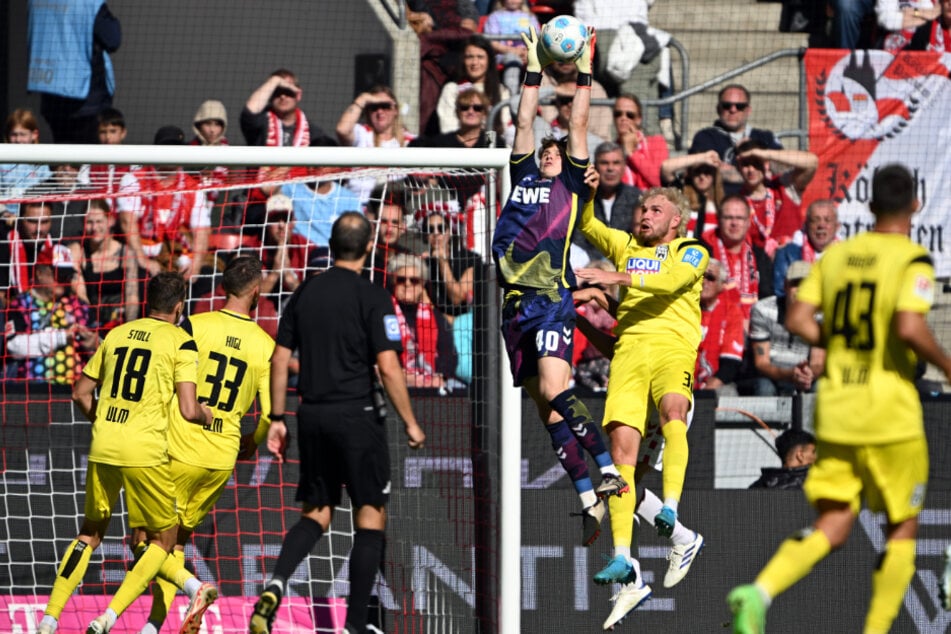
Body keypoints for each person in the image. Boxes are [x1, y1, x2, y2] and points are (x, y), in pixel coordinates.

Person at [728, 164, 951, 634]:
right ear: (915, 205)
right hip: (889, 410)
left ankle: (760, 591)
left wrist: (844, 338)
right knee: (901, 527)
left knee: (833, 522)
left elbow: (798, 319)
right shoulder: (912, 259)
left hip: (836, 408)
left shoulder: (838, 257)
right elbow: (909, 327)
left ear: (869, 207)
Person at [249, 212, 425, 634]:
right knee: (370, 515)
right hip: (357, 416)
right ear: (369, 247)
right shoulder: (373, 295)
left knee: (317, 512)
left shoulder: (307, 291)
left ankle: (275, 582)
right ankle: (355, 625)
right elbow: (388, 366)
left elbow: (278, 357)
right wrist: (410, 422)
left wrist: (276, 417)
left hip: (311, 415)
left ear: (331, 243)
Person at [491, 25, 629, 549]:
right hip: (512, 304)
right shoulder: (523, 170)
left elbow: (577, 120)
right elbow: (525, 117)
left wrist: (584, 68)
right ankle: (589, 498)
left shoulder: (570, 180)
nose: (551, 152)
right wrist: (532, 65)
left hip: (549, 299)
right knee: (545, 409)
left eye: (557, 151)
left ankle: (608, 469)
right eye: (547, 151)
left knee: (556, 388)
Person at [36, 272, 214, 634]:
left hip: (104, 443)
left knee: (89, 533)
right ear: (180, 306)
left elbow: (80, 393)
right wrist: (206, 414)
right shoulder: (181, 341)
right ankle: (109, 617)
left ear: (149, 301)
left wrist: (103, 421)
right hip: (145, 450)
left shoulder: (116, 334)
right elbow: (187, 408)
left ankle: (49, 618)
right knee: (163, 541)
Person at [575, 186, 708, 629]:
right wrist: (588, 193)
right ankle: (624, 561)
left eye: (656, 209)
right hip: (629, 358)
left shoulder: (691, 251)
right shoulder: (626, 246)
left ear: (676, 220)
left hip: (672, 353)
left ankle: (672, 510)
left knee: (674, 412)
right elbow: (588, 225)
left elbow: (669, 283)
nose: (645, 215)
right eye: (642, 209)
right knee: (620, 463)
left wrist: (613, 280)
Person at [133, 256, 274, 634]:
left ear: (223, 287)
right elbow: (268, 416)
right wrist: (250, 444)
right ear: (256, 293)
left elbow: (169, 373)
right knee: (176, 540)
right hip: (221, 455)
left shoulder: (196, 323)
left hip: (180, 446)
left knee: (143, 540)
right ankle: (154, 626)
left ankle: (192, 590)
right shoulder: (265, 344)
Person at [115, 126, 212, 281]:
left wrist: (195, 265)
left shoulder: (193, 187)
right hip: (144, 255)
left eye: (176, 149)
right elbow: (128, 222)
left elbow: (202, 231)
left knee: (209, 278)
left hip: (181, 257)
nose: (171, 153)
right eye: (167, 148)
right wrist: (143, 260)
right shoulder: (134, 179)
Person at [26, 0, 121, 144]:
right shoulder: (90, 3)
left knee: (64, 159)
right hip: (86, 101)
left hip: (50, 94)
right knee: (87, 161)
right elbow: (112, 39)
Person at [4, 244, 95, 384]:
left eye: (67, 275)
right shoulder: (20, 305)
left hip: (74, 392)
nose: (64, 280)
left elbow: (101, 350)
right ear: (39, 273)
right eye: (58, 274)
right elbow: (14, 347)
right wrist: (61, 337)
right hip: (33, 393)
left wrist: (91, 346)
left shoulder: (80, 306)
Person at [745, 261, 824, 397]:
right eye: (796, 284)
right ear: (785, 286)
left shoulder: (822, 315)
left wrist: (808, 374)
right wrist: (790, 375)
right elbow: (762, 364)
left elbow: (818, 362)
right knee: (764, 386)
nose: (801, 290)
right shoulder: (763, 309)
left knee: (821, 386)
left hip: (806, 374)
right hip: (772, 375)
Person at [688, 84, 782, 193]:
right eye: (727, 105)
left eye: (740, 106)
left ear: (748, 110)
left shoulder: (765, 137)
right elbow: (705, 171)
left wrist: (759, 153)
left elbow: (784, 169)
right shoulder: (705, 137)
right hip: (720, 202)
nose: (733, 110)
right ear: (718, 109)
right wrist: (759, 172)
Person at [388, 253, 458, 390]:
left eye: (414, 280)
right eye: (401, 279)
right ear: (393, 282)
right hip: (394, 384)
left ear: (422, 285)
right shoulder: (384, 313)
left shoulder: (436, 317)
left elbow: (450, 356)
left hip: (432, 386)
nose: (407, 284)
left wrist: (440, 377)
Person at [67, 198, 141, 329]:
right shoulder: (78, 251)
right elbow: (79, 293)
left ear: (110, 221)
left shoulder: (126, 254)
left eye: (99, 221)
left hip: (119, 323)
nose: (94, 228)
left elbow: (132, 297)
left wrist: (128, 329)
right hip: (89, 321)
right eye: (89, 222)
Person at [735, 140, 819, 254]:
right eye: (745, 164)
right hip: (758, 267)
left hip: (792, 265)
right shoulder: (735, 203)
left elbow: (812, 162)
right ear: (738, 168)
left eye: (756, 163)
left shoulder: (784, 186)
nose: (751, 170)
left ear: (766, 164)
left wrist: (766, 154)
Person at [701, 195, 774, 324]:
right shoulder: (703, 251)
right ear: (718, 220)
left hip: (752, 327)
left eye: (739, 218)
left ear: (748, 222)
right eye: (728, 217)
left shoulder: (759, 255)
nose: (734, 223)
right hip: (711, 324)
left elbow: (767, 297)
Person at [336, 85, 415, 203]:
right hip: (358, 206)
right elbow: (342, 130)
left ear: (395, 110)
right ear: (367, 111)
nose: (380, 111)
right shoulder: (362, 133)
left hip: (394, 208)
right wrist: (362, 99)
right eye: (374, 106)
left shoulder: (410, 141)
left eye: (385, 106)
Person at [570, 141, 642, 267]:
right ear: (595, 166)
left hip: (626, 266)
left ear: (624, 166)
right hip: (588, 268)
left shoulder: (636, 198)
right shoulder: (582, 198)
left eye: (616, 163)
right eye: (604, 163)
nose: (610, 168)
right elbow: (578, 241)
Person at [434, 34, 511, 136]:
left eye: (480, 57)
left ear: (489, 61)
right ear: (463, 60)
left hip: (491, 147)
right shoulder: (452, 90)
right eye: (470, 57)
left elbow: (505, 126)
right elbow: (448, 128)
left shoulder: (501, 91)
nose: (474, 62)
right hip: (460, 147)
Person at [240, 69, 334, 148]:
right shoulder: (259, 124)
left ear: (298, 95)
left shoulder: (312, 131)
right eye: (277, 91)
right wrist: (275, 81)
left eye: (287, 91)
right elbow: (249, 113)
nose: (282, 96)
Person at [695, 258, 745, 393]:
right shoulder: (682, 307)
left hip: (714, 382)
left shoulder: (731, 311)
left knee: (728, 393)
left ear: (722, 285)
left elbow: (731, 363)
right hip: (681, 378)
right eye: (700, 276)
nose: (703, 282)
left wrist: (705, 393)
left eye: (710, 278)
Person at [259, 194, 317, 310]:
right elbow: (248, 301)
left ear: (294, 222)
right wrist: (274, 274)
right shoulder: (254, 247)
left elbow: (315, 301)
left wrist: (289, 277)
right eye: (275, 219)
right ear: (266, 222)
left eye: (285, 219)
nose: (281, 225)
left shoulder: (306, 247)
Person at [772, 199, 839, 299]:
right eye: (815, 220)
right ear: (806, 225)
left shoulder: (848, 256)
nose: (821, 225)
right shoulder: (787, 254)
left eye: (827, 220)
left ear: (837, 226)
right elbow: (779, 293)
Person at [420, 208, 480, 318]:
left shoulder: (469, 258)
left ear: (449, 232)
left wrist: (442, 262)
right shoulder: (423, 263)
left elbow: (457, 298)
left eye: (441, 228)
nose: (436, 233)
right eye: (430, 229)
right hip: (437, 321)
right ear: (425, 236)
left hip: (464, 321)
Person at [661, 150, 724, 238]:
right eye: (697, 171)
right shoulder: (680, 194)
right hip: (685, 248)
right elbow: (666, 167)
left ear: (714, 175)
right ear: (691, 174)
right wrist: (703, 157)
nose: (702, 176)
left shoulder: (723, 201)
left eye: (707, 172)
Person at [482, 0, 540, 97]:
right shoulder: (495, 16)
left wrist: (529, 52)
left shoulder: (530, 17)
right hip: (503, 54)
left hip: (527, 52)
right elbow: (492, 42)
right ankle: (511, 95)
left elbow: (537, 39)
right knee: (513, 60)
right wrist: (513, 51)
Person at [0, 109, 51, 218]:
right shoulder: (2, 162)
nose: (18, 139)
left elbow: (47, 191)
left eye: (22, 134)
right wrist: (4, 213)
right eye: (14, 135)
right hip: (7, 218)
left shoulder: (41, 162)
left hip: (34, 218)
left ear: (34, 134)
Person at [1, 200, 57, 296]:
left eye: (44, 222)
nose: (39, 229)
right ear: (20, 220)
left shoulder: (57, 245)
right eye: (33, 221)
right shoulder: (3, 242)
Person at [613, 93, 668, 190]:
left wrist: (632, 154)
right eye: (618, 114)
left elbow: (658, 181)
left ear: (638, 119)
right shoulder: (611, 150)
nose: (623, 118)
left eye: (630, 115)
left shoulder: (656, 142)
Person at [749, 429, 817, 490]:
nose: (816, 456)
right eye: (813, 452)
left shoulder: (758, 487)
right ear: (800, 455)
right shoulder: (815, 484)